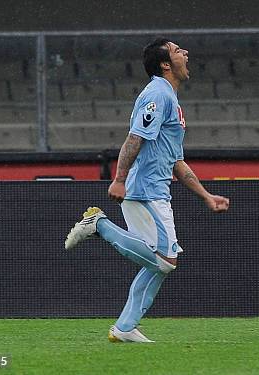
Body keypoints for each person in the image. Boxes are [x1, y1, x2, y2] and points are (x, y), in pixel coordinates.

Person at [64, 38, 230, 343]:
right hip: (144, 190)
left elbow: (176, 161)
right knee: (166, 260)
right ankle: (98, 224)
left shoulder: (169, 97)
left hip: (156, 190)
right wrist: (119, 178)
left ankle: (125, 327)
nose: (186, 53)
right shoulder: (157, 94)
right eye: (178, 51)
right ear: (166, 64)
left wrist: (205, 195)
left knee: (160, 265)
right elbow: (134, 138)